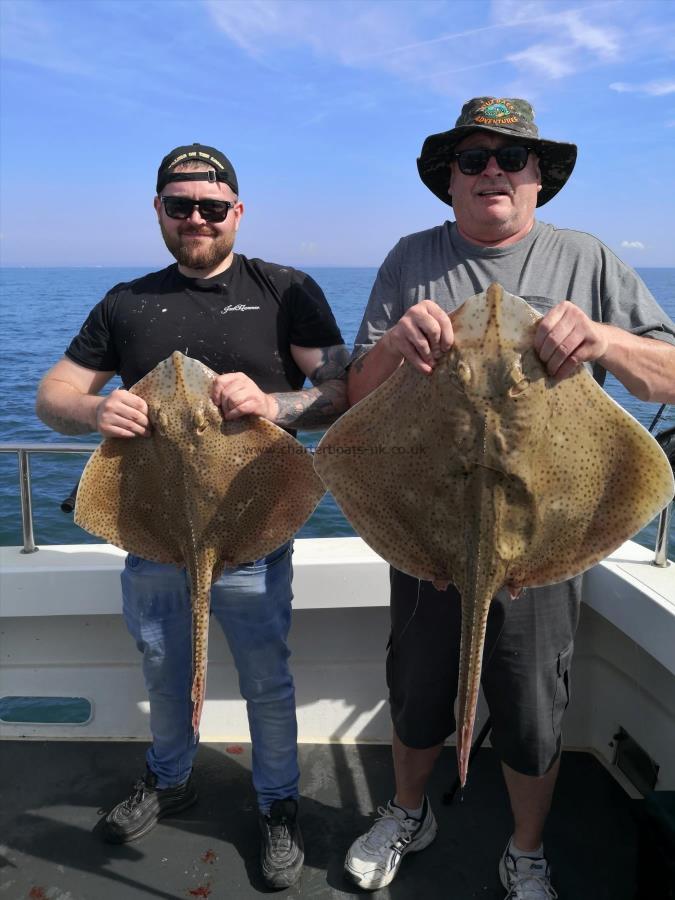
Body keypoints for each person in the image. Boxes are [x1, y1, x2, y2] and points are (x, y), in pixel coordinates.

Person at [343, 98, 675, 899]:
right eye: (472, 158)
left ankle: (525, 848)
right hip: (426, 522)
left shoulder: (586, 257)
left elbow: (667, 372)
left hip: (544, 532)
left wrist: (603, 339)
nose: (492, 169)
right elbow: (354, 399)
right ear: (449, 181)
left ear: (538, 179)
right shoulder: (409, 259)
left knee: (529, 707)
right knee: (419, 690)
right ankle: (407, 810)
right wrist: (392, 344)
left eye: (510, 158)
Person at [35, 142, 349, 889]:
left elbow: (340, 386)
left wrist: (277, 404)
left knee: (266, 677)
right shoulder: (125, 300)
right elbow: (53, 395)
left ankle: (277, 805)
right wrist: (93, 407)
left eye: (213, 207)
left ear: (236, 211)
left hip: (251, 534)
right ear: (159, 212)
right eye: (181, 206)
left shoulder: (285, 289)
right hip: (153, 531)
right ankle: (168, 775)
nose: (197, 219)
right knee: (162, 667)